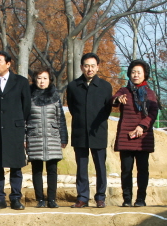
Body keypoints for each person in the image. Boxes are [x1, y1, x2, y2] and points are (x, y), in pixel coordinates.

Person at [0, 50, 31, 212]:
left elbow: (26, 107)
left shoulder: (21, 82)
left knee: (16, 166)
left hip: (14, 130)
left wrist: (16, 122)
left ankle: (16, 198)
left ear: (8, 64)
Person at [66, 52, 113, 208]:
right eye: (86, 66)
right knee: (81, 167)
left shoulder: (105, 87)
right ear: (81, 67)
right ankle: (82, 197)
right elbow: (73, 108)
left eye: (93, 66)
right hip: (80, 132)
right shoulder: (73, 86)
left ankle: (100, 197)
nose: (89, 69)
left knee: (100, 166)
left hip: (98, 131)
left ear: (98, 67)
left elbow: (107, 110)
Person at [112, 59, 159, 207]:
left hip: (143, 137)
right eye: (133, 72)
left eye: (139, 72)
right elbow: (112, 100)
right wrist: (117, 99)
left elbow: (153, 112)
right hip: (126, 137)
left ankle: (140, 199)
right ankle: (126, 199)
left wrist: (142, 127)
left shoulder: (150, 94)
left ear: (145, 74)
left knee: (142, 170)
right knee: (126, 170)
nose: (136, 75)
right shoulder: (123, 91)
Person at [26, 67, 67, 208]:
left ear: (50, 80)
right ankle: (40, 200)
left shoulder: (55, 96)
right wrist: (24, 139)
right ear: (34, 80)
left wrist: (63, 137)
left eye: (45, 78)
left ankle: (52, 199)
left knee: (52, 170)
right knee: (36, 170)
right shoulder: (28, 96)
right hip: (34, 137)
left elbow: (61, 118)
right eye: (39, 78)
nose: (42, 81)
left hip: (53, 138)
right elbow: (24, 119)